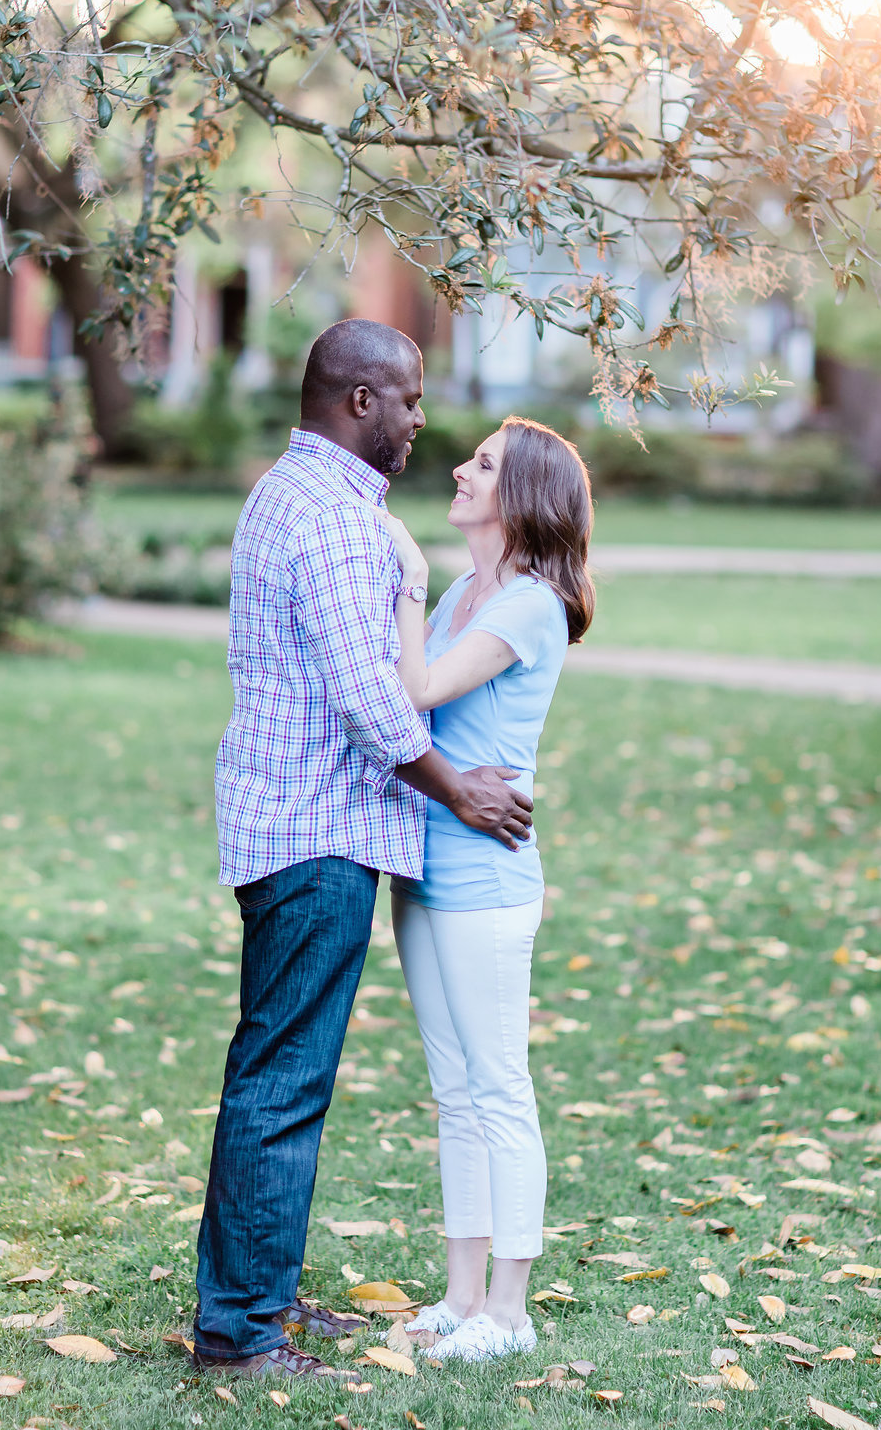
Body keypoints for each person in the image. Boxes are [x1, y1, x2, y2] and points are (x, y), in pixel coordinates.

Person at [192, 321, 534, 1384]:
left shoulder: (288, 494)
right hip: (313, 833)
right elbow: (369, 703)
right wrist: (459, 791)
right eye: (411, 401)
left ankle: (257, 1296)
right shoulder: (337, 521)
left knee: (274, 1070)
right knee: (282, 1080)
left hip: (284, 824)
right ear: (359, 402)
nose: (423, 421)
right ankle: (242, 1332)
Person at [379, 416, 595, 1363]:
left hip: (486, 878)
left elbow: (413, 689)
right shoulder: (474, 587)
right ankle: (462, 1297)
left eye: (484, 466)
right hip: (422, 864)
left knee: (499, 1086)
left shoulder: (531, 605)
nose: (461, 471)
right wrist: (429, 590)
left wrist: (404, 581)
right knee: (453, 1090)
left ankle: (510, 1313)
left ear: (524, 498)